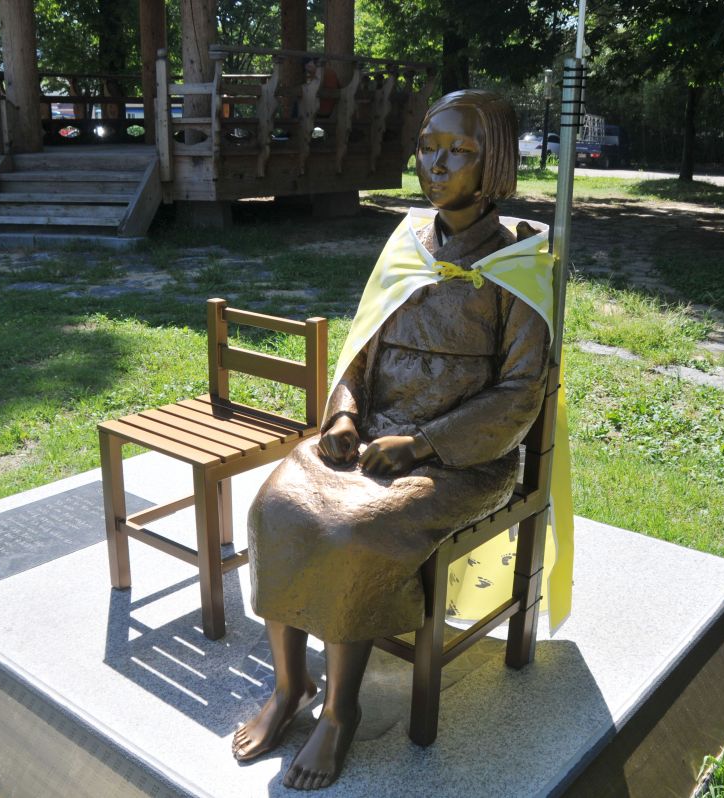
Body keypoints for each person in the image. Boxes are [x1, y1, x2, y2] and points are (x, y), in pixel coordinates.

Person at [232, 90, 551, 790]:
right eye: (428, 147)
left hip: (462, 458)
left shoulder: (523, 263)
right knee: (276, 506)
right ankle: (291, 685)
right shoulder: (406, 242)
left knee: (352, 531)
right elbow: (360, 349)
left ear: (495, 161)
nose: (437, 165)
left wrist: (424, 444)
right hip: (369, 436)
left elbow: (521, 392)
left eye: (459, 151)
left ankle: (340, 710)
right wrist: (344, 415)